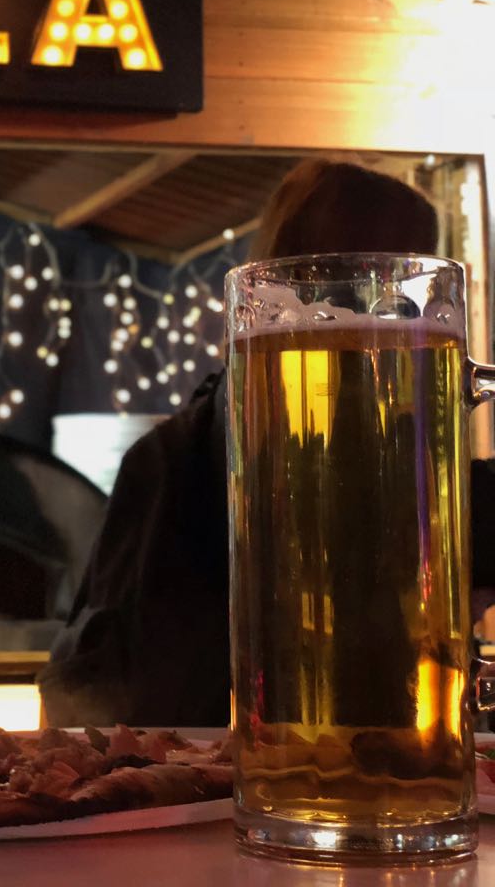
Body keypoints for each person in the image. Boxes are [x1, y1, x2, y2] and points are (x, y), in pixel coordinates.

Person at [38, 158, 495, 727]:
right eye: (402, 285)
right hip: (315, 750)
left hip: (198, 754)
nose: (405, 311)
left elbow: (91, 660)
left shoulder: (177, 445)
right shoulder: (367, 443)